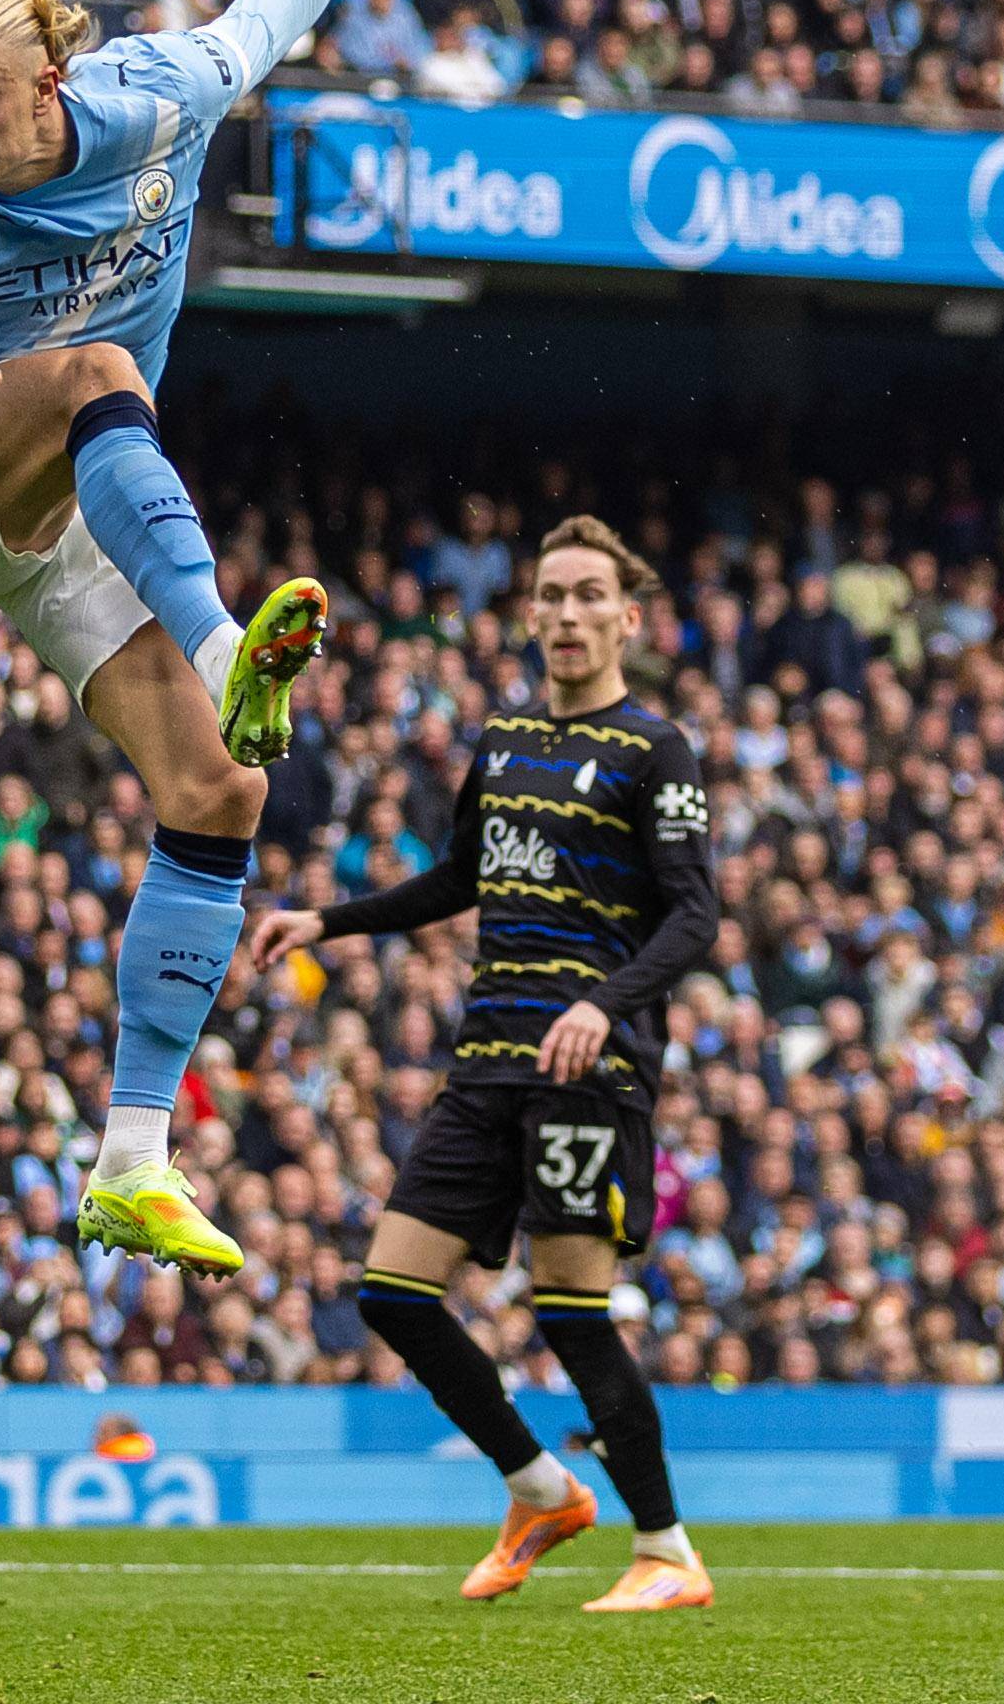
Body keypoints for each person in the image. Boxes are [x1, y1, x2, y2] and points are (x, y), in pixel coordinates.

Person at [0, 0, 416, 1276]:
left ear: (47, 83)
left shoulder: (155, 95)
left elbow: (264, 16)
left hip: (76, 510)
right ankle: (231, 645)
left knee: (221, 789)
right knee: (100, 368)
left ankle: (132, 1160)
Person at [241, 517, 719, 1614]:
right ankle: (539, 1487)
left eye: (589, 596)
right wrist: (329, 921)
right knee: (393, 1292)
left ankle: (667, 1551)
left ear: (626, 619)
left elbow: (697, 913)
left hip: (584, 1070)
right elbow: (457, 879)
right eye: (550, 595)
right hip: (487, 1059)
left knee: (571, 1313)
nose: (564, 613)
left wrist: (606, 1006)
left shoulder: (657, 751)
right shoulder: (505, 744)